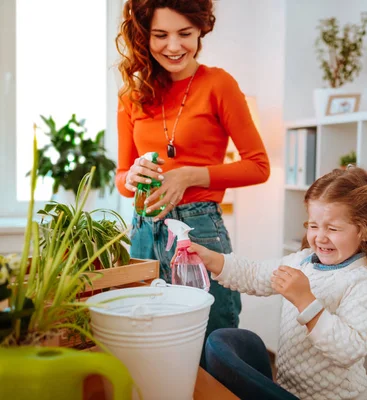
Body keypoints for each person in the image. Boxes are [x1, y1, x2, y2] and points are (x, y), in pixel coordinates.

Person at [114, 0, 270, 366]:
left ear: (201, 29)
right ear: (144, 36)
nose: (173, 46)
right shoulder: (131, 96)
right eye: (160, 35)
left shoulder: (219, 84)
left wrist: (190, 174)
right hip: (142, 233)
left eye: (184, 33)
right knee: (147, 348)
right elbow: (121, 180)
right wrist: (132, 177)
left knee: (211, 348)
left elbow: (258, 166)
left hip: (200, 230)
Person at [183, 167, 367, 400]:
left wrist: (305, 301)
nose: (320, 237)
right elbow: (254, 274)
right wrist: (210, 258)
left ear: (363, 231)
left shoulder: (363, 281)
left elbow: (349, 350)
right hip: (289, 391)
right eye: (314, 226)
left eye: (333, 229)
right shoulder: (302, 261)